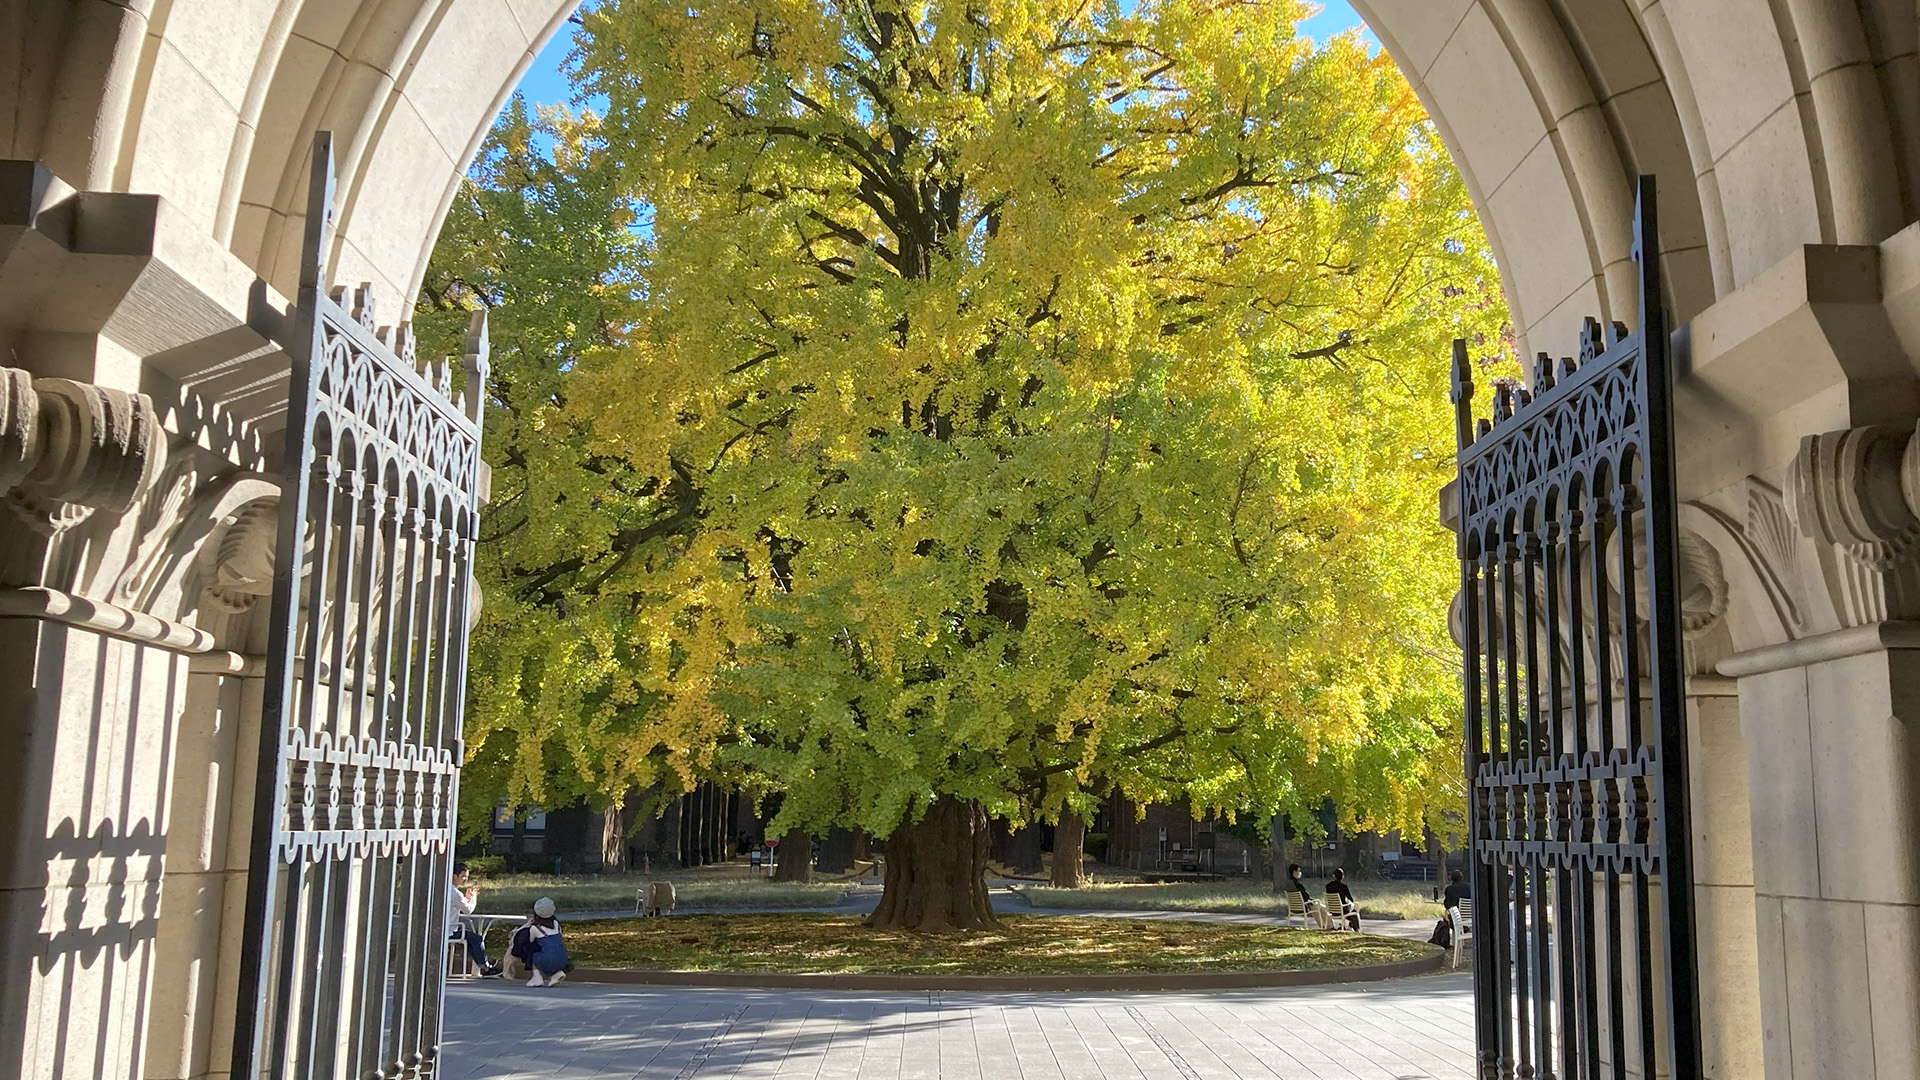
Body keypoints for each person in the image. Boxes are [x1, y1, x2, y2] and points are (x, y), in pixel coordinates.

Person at [449, 862, 503, 978]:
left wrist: (467, 898)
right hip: (450, 931)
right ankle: (485, 967)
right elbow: (468, 910)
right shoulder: (455, 893)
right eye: (463, 876)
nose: (465, 880)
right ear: (454, 876)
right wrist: (473, 897)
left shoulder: (446, 890)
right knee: (477, 939)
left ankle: (484, 965)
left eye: (467, 877)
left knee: (470, 939)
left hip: (444, 928)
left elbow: (461, 905)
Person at [508, 896, 572, 988]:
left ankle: (537, 976)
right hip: (563, 958)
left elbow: (529, 942)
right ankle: (556, 973)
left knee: (532, 949)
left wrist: (527, 925)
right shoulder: (556, 924)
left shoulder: (535, 928)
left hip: (547, 959)